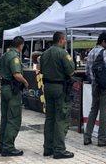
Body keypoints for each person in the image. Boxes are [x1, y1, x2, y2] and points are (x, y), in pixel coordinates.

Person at [40, 31, 75, 159]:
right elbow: (71, 71)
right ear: (61, 40)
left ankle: (47, 148)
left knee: (50, 117)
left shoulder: (44, 54)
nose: (65, 41)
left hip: (47, 87)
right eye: (64, 39)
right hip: (59, 87)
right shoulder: (63, 53)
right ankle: (59, 149)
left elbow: (41, 69)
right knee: (61, 118)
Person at [83, 32, 106, 147]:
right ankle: (102, 138)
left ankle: (87, 137)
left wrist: (93, 80)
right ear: (103, 41)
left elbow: (87, 70)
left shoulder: (91, 52)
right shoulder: (104, 52)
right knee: (103, 110)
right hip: (104, 86)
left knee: (93, 110)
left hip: (94, 85)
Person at [0, 36, 29, 157]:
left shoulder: (5, 55)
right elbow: (17, 74)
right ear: (20, 45)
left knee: (5, 117)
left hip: (5, 88)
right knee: (14, 118)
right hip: (13, 90)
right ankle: (8, 147)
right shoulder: (14, 57)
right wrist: (25, 82)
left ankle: (3, 144)